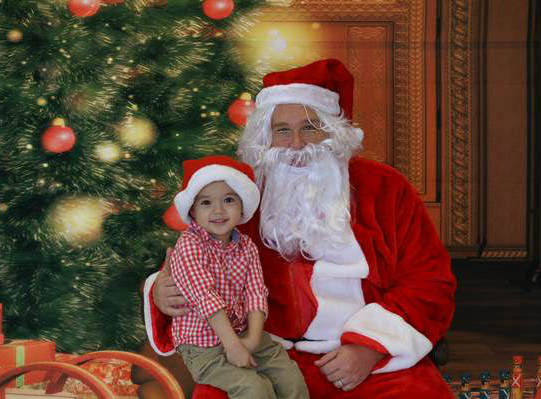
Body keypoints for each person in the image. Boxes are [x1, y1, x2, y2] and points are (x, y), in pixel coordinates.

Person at [137, 59, 456, 398]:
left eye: (310, 128)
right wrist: (162, 293)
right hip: (265, 352)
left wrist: (369, 347)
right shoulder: (241, 193)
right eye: (283, 130)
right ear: (266, 138)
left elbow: (429, 282)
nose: (297, 144)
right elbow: (194, 257)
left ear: (333, 132)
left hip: (368, 361)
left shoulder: (386, 188)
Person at [158, 155, 309, 399]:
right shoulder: (189, 245)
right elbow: (205, 298)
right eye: (206, 203)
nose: (218, 211)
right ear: (193, 210)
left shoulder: (246, 246)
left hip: (241, 331)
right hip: (202, 343)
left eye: (228, 200)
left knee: (290, 378)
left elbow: (256, 292)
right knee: (254, 389)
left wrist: (253, 337)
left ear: (242, 206)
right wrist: (234, 347)